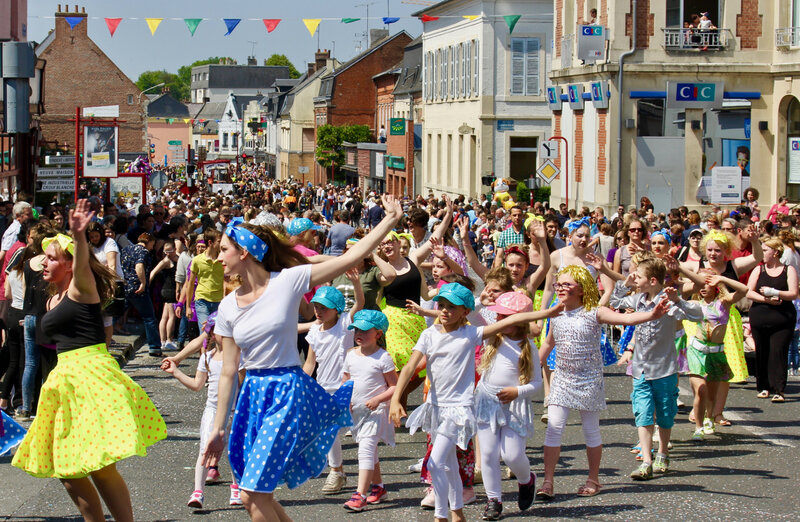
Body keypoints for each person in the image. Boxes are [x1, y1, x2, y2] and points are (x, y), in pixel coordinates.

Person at [202, 194, 403, 521]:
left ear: (244, 252)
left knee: (253, 493)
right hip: (252, 396)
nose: (218, 256)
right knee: (255, 497)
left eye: (224, 249)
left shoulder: (287, 282)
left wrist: (389, 220)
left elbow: (350, 255)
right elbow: (227, 372)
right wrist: (218, 427)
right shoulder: (226, 307)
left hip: (286, 391)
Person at [12, 200, 166, 522]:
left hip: (90, 376)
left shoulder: (82, 289)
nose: (44, 263)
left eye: (51, 258)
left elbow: (82, 265)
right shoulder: (51, 295)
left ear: (69, 264)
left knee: (99, 465)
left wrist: (79, 235)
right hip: (64, 380)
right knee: (68, 470)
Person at [390, 283, 561, 522]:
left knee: (438, 463)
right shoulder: (430, 334)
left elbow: (511, 322)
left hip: (461, 409)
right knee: (457, 462)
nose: (445, 310)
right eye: (442, 305)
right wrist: (396, 398)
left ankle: (443, 515)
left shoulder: (473, 334)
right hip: (445, 406)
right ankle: (465, 510)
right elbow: (409, 366)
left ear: (464, 312)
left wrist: (547, 314)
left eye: (452, 307)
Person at [535, 265, 670, 501]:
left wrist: (651, 315)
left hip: (589, 380)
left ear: (581, 288)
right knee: (553, 429)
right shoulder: (555, 314)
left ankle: (593, 478)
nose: (561, 288)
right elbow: (548, 343)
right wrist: (534, 364)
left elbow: (625, 319)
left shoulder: (594, 312)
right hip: (563, 379)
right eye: (559, 284)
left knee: (590, 431)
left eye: (567, 284)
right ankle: (548, 481)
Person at [610, 258, 702, 480]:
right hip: (640, 368)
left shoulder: (667, 302)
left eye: (639, 277)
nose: (636, 281)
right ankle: (646, 460)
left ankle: (662, 451)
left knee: (665, 414)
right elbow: (614, 300)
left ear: (652, 280)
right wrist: (627, 283)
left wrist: (677, 300)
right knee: (642, 411)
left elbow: (697, 314)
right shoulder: (639, 298)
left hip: (664, 369)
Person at [161, 312, 241, 509]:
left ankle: (236, 488)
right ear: (212, 334)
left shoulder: (239, 357)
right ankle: (198, 491)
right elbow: (197, 385)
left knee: (234, 451)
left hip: (235, 411)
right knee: (205, 448)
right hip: (212, 410)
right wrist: (177, 372)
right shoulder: (207, 357)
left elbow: (244, 382)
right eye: (216, 330)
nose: (220, 333)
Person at [475, 292, 543, 520]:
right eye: (499, 315)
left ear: (519, 320)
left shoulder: (528, 346)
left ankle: (526, 480)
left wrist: (517, 391)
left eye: (506, 316)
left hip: (514, 406)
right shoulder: (491, 337)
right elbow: (474, 314)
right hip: (487, 402)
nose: (500, 320)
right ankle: (494, 500)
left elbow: (536, 383)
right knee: (488, 454)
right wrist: (481, 300)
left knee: (512, 456)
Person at [302, 282, 364, 495]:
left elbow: (359, 303)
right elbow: (310, 363)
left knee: (349, 431)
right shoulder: (314, 331)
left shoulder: (345, 324)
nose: (318, 311)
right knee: (330, 432)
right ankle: (336, 472)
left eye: (324, 308)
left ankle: (366, 476)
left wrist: (356, 283)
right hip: (323, 389)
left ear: (336, 309)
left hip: (346, 388)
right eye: (316, 306)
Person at [340, 310, 398, 512]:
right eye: (357, 329)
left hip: (376, 412)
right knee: (370, 451)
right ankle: (379, 487)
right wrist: (344, 399)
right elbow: (346, 380)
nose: (359, 333)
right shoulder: (350, 355)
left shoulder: (383, 357)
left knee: (365, 449)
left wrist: (378, 399)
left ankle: (360, 495)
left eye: (365, 330)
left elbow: (394, 386)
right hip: (357, 412)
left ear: (378, 334)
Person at [684, 271, 748, 441]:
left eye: (707, 283)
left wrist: (722, 279)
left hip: (716, 353)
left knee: (711, 394)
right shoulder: (694, 304)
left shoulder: (724, 303)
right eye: (701, 283)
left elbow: (744, 290)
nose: (704, 287)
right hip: (696, 351)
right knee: (701, 390)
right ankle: (698, 427)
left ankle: (709, 418)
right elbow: (677, 299)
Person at [747, 238, 798, 403]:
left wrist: (775, 292)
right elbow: (748, 292)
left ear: (775, 252)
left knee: (778, 351)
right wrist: (765, 298)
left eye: (765, 250)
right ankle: (763, 386)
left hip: (782, 318)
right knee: (762, 351)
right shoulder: (759, 269)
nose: (762, 253)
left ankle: (779, 389)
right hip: (760, 315)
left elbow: (793, 293)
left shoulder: (788, 270)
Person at [120, 232, 161, 357]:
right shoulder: (143, 251)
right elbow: (139, 266)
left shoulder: (127, 249)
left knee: (116, 314)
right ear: (148, 241)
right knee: (149, 318)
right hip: (138, 289)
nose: (152, 248)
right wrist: (143, 283)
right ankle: (154, 347)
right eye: (152, 244)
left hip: (125, 286)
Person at [149, 239, 180, 352]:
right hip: (169, 290)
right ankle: (168, 340)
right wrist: (146, 285)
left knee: (165, 316)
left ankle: (163, 341)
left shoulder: (178, 258)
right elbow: (153, 272)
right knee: (171, 316)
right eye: (165, 251)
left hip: (167, 290)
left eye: (170, 251)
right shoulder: (166, 261)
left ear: (175, 250)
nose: (167, 253)